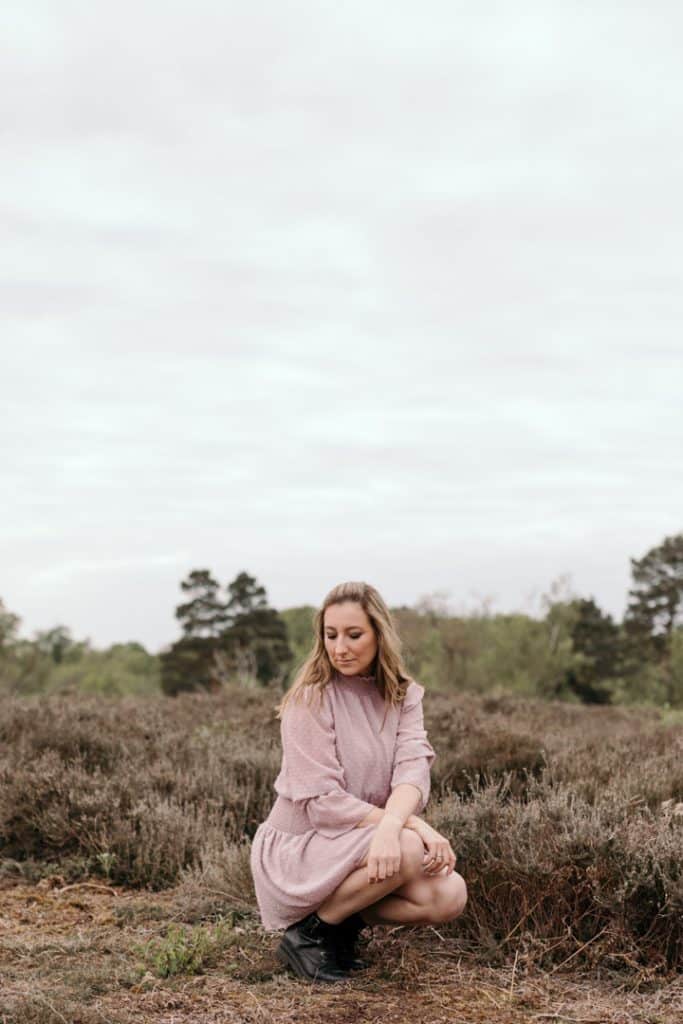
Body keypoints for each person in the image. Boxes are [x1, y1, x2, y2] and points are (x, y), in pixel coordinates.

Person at [249, 581, 467, 983]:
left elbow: (412, 771)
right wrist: (409, 826)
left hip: (358, 837)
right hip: (301, 845)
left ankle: (339, 925)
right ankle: (308, 936)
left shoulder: (403, 696)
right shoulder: (310, 699)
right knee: (406, 846)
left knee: (450, 895)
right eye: (330, 635)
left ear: (379, 635)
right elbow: (323, 803)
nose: (340, 648)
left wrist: (393, 825)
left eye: (354, 635)